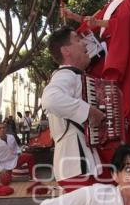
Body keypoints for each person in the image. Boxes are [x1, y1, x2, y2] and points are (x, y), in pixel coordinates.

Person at [61, 0, 130, 145]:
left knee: (113, 102)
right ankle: (100, 138)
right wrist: (71, 15)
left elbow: (121, 23)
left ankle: (117, 142)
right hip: (101, 56)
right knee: (97, 98)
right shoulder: (110, 4)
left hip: (115, 57)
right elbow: (91, 22)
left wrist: (98, 22)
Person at [41, 26, 106, 191]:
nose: (85, 44)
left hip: (81, 164)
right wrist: (90, 112)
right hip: (75, 165)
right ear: (66, 51)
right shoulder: (65, 75)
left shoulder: (76, 76)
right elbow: (50, 99)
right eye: (77, 39)